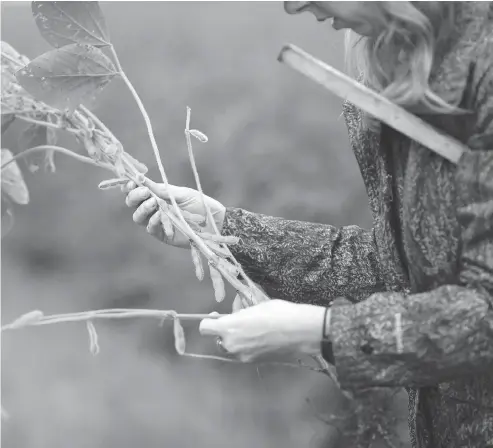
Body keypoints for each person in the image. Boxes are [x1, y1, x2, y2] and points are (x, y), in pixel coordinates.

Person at [122, 2, 493, 447]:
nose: (294, 4)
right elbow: (398, 269)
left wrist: (321, 332)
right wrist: (228, 230)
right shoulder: (407, 67)